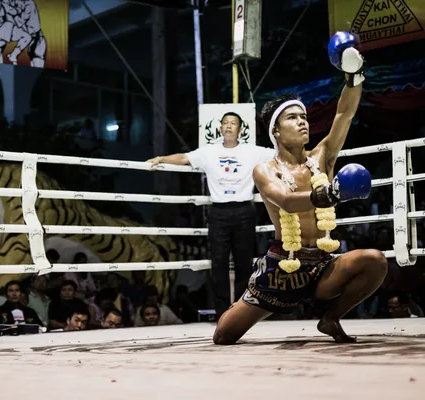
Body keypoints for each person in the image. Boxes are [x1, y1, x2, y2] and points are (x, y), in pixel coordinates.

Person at [213, 32, 388, 345]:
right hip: (282, 266)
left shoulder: (322, 156)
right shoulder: (265, 169)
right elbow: (285, 201)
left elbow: (344, 113)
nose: (303, 122)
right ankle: (255, 303)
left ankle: (330, 317)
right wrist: (331, 193)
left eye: (304, 117)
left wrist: (353, 75)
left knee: (375, 260)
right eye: (293, 118)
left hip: (322, 264)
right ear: (276, 131)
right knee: (224, 335)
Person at [147, 112, 274, 318]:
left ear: (241, 130)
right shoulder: (209, 152)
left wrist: (309, 152)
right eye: (225, 123)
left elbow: (278, 153)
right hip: (219, 212)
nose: (229, 126)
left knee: (243, 262)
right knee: (219, 263)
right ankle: (223, 313)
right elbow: (183, 158)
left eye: (233, 123)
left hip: (244, 209)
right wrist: (160, 158)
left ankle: (242, 312)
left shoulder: (252, 151)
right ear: (220, 129)